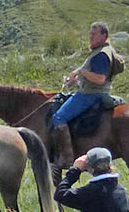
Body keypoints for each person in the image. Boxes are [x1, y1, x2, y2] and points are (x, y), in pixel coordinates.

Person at [49, 22, 122, 166]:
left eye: (94, 34)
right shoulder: (101, 50)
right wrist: (76, 78)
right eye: (90, 34)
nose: (91, 37)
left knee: (58, 117)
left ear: (104, 36)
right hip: (92, 91)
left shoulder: (101, 54)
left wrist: (82, 72)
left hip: (91, 94)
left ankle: (66, 159)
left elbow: (100, 79)